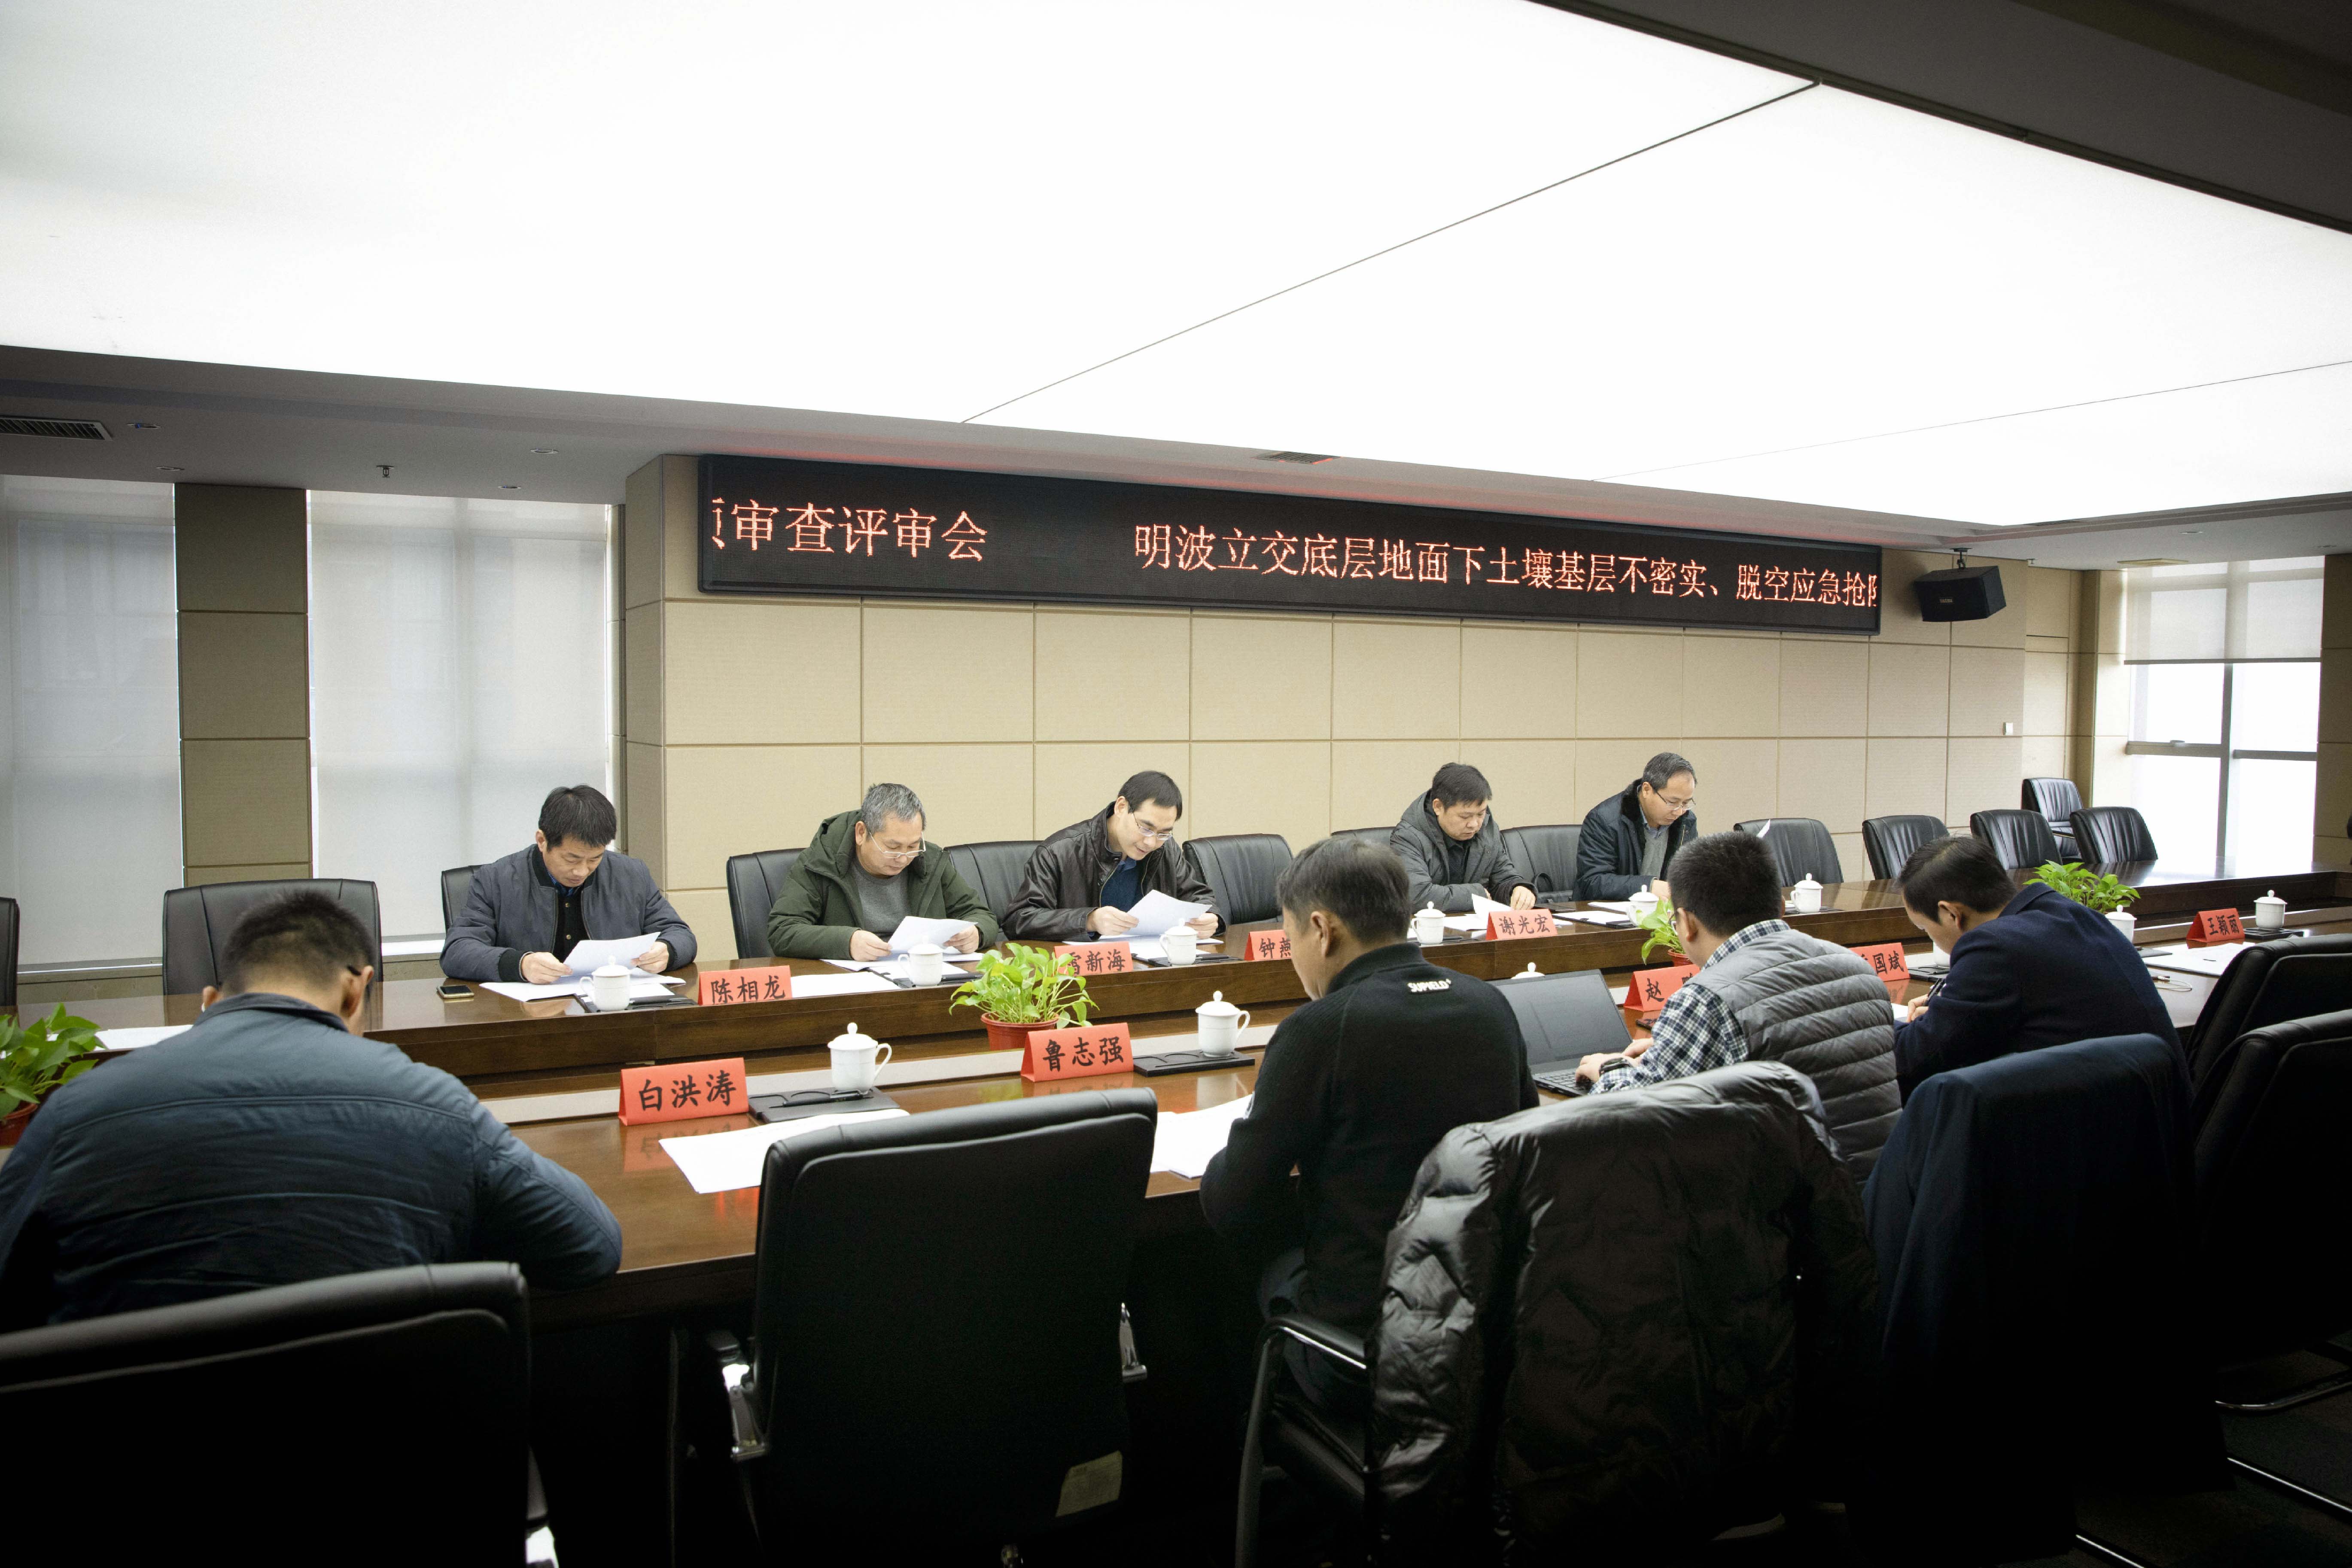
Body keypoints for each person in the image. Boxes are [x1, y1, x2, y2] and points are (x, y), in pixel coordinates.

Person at [0, 893, 621, 1326]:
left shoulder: (80, 1109)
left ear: (211, 1001)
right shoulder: (433, 1104)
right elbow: (589, 1246)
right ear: (356, 990)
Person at [1200, 837, 1536, 1413]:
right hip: (1482, 1332)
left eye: (1289, 938)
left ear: (1321, 929)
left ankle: (1244, 1457)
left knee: (1196, 1267)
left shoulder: (1322, 1028)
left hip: (1362, 1350)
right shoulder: (1490, 1006)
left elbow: (1232, 1199)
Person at [1578, 831, 1901, 1173]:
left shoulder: (1706, 998)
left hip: (1789, 1201)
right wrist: (1676, 1048)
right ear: (1780, 907)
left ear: (1686, 923)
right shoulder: (1858, 970)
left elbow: (1635, 1121)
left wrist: (1607, 1069)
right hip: (1883, 1187)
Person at [1891, 834, 2180, 1098]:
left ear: (1951, 914)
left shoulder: (1993, 946)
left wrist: (1877, 1022)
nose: (1929, 936)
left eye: (1924, 928)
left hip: (2092, 1123)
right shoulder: (2074, 914)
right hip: (2157, 1115)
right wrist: (1949, 1012)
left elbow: (1915, 1056)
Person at [441, 783, 696, 984]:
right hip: (529, 1016)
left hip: (613, 1010)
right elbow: (457, 951)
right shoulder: (496, 880)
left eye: (595, 859)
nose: (581, 871)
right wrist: (520, 964)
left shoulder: (631, 875)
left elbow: (680, 934)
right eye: (571, 859)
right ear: (542, 841)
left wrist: (666, 950)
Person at [766, 782, 1003, 960]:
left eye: (912, 846)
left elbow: (980, 914)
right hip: (852, 982)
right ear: (861, 833)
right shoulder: (822, 861)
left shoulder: (930, 860)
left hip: (921, 977)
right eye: (892, 847)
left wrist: (976, 933)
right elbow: (783, 930)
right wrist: (847, 942)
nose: (903, 858)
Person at [1004, 770, 1221, 942]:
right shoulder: (1060, 852)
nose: (1151, 842)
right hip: (1082, 970)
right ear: (1121, 807)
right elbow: (1019, 920)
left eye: (1164, 833)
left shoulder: (1165, 849)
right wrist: (1089, 920)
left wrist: (1211, 917)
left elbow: (1199, 896)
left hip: (1152, 963)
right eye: (1145, 828)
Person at [1389, 762, 1536, 914]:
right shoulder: (1408, 837)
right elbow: (1417, 896)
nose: (1474, 824)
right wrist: (1476, 895)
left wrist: (1517, 888)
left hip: (1473, 926)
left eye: (1481, 814)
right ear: (1438, 807)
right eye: (1465, 817)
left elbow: (1502, 877)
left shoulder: (1487, 830)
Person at [1573, 751, 1700, 901]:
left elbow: (1691, 875)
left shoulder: (1686, 821)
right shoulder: (1605, 820)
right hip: (1613, 912)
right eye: (1672, 803)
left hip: (1664, 911)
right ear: (1647, 790)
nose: (1679, 811)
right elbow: (1592, 883)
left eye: (1686, 803)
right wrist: (1649, 886)